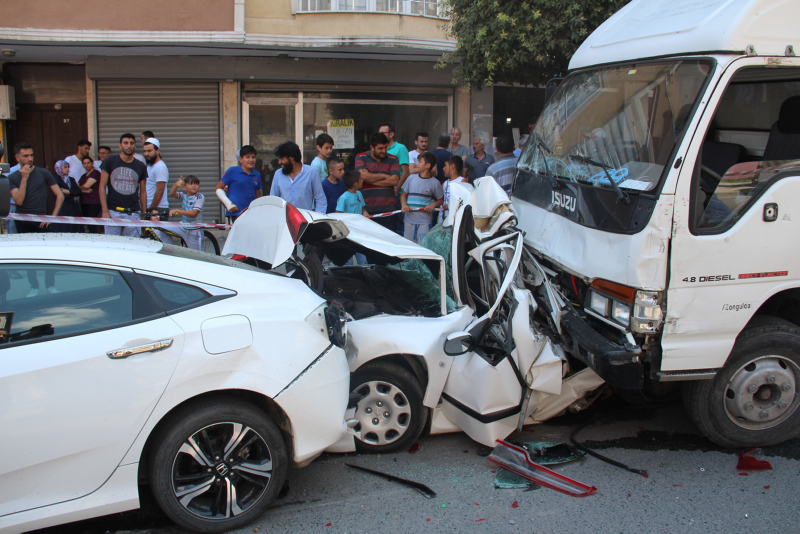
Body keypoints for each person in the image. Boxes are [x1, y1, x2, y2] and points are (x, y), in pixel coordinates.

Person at [8, 142, 65, 296]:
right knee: (29, 256)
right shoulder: (13, 177)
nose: (30, 159)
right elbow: (18, 200)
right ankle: (34, 286)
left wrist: (52, 217)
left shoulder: (43, 173)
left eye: (31, 155)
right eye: (25, 156)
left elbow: (60, 195)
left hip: (42, 220)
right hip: (22, 221)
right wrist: (24, 178)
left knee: (48, 255)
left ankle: (50, 285)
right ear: (17, 157)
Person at [99, 133, 148, 237]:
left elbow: (143, 191)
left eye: (131, 143)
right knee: (111, 244)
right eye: (125, 143)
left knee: (133, 246)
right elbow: (102, 187)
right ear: (120, 145)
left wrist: (143, 214)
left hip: (133, 212)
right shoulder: (110, 161)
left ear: (135, 145)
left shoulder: (140, 166)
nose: (129, 146)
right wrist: (105, 210)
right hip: (113, 210)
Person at [355, 132, 401, 232]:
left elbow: (395, 180)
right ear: (372, 147)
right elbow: (363, 175)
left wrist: (370, 180)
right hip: (368, 208)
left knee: (389, 241)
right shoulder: (360, 157)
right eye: (380, 148)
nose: (383, 151)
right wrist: (385, 176)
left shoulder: (393, 159)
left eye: (385, 147)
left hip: (389, 209)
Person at [270, 141, 327, 213]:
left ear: (291, 158)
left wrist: (318, 219)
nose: (279, 162)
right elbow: (273, 199)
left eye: (281, 158)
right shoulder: (278, 174)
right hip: (284, 221)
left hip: (306, 220)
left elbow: (320, 198)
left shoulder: (311, 172)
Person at [400, 152, 443, 244]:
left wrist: (433, 205)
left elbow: (441, 199)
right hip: (409, 220)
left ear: (427, 165)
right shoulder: (411, 178)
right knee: (408, 245)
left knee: (422, 246)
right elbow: (403, 195)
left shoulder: (435, 183)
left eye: (419, 162)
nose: (416, 164)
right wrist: (404, 205)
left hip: (425, 221)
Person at [216, 145, 262, 222]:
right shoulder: (232, 171)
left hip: (251, 214)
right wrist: (228, 205)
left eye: (253, 157)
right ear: (241, 159)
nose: (251, 160)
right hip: (235, 214)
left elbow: (257, 196)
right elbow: (218, 188)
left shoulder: (257, 174)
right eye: (247, 157)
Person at [335, 170, 369, 265]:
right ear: (355, 184)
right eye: (361, 180)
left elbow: (362, 208)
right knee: (347, 261)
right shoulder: (344, 198)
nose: (362, 181)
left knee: (363, 260)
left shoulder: (359, 194)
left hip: (360, 233)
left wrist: (365, 212)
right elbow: (337, 215)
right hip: (348, 235)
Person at [143, 137, 171, 242]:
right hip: (152, 208)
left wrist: (152, 210)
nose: (146, 154)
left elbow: (160, 190)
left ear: (157, 150)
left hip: (158, 209)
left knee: (159, 242)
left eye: (149, 151)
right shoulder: (150, 165)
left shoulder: (160, 167)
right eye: (145, 151)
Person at [169, 175, 205, 250]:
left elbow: (193, 213)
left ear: (199, 187)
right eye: (190, 184)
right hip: (182, 226)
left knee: (196, 256)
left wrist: (177, 211)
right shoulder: (184, 195)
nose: (194, 186)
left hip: (194, 230)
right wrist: (176, 185)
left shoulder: (199, 197)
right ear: (185, 187)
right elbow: (172, 194)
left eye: (196, 184)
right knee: (161, 228)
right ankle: (170, 249)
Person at [50, 159, 83, 233]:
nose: (67, 169)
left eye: (68, 167)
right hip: (62, 207)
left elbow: (78, 191)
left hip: (73, 209)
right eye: (65, 167)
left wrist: (68, 192)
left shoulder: (71, 179)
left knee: (74, 229)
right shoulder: (55, 180)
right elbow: (60, 193)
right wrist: (72, 195)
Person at [378, 122, 410, 191]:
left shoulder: (400, 148)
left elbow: (406, 172)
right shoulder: (379, 149)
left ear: (391, 134)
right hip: (382, 190)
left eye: (383, 133)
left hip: (395, 191)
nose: (380, 136)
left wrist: (397, 189)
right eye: (379, 134)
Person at [78, 156, 103, 234]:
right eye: (84, 163)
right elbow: (76, 187)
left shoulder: (96, 173)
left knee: (92, 223)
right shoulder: (83, 176)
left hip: (94, 201)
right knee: (87, 223)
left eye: (88, 162)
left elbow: (86, 186)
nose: (87, 165)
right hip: (84, 202)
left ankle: (96, 239)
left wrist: (81, 188)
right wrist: (84, 191)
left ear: (92, 163)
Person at [442, 155, 465, 220]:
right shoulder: (445, 183)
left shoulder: (462, 181)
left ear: (452, 166)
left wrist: (451, 205)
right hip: (444, 217)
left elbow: (465, 199)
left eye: (445, 165)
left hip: (456, 217)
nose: (443, 168)